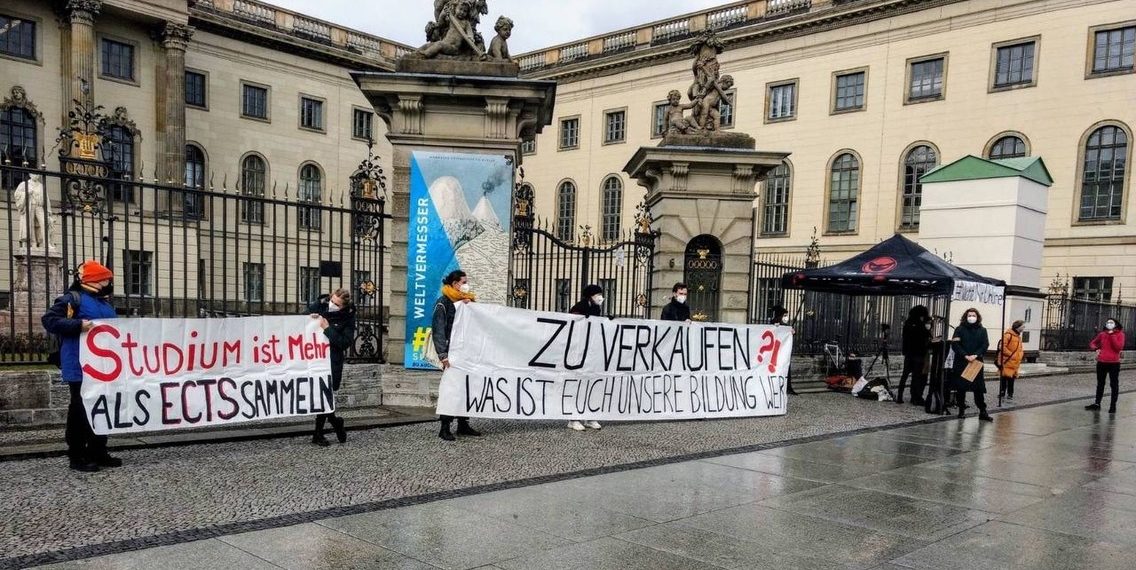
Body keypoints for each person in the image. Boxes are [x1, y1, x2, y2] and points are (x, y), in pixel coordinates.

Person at [41, 260, 120, 472]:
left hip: (104, 367)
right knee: (79, 409)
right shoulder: (72, 299)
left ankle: (98, 450)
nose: (108, 282)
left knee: (102, 407)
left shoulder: (102, 302)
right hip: (79, 365)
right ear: (95, 280)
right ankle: (76, 455)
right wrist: (78, 325)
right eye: (105, 278)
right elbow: (49, 320)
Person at [433, 270, 482, 441]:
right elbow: (438, 330)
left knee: (465, 387)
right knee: (450, 389)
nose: (466, 284)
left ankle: (463, 424)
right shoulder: (443, 303)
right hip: (451, 353)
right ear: (454, 284)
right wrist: (442, 355)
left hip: (465, 351)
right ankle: (445, 427)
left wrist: (470, 307)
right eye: (463, 281)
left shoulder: (466, 301)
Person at [307, 288, 355, 446]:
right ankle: (335, 422)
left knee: (324, 396)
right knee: (320, 396)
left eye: (337, 304)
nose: (333, 305)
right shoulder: (319, 306)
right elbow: (299, 323)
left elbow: (344, 342)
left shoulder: (348, 318)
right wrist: (310, 317)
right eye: (332, 301)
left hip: (331, 362)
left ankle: (318, 434)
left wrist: (327, 329)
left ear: (343, 307)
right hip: (313, 359)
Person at [567, 284, 605, 430]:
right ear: (590, 296)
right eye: (598, 294)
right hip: (578, 351)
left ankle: (590, 417)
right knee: (577, 383)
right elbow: (573, 325)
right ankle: (573, 418)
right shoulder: (579, 307)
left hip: (591, 350)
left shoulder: (596, 308)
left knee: (591, 382)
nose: (600, 297)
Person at [949, 308, 993, 422]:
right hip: (962, 362)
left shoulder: (982, 330)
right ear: (966, 316)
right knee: (961, 388)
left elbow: (985, 344)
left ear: (977, 317)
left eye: (974, 315)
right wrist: (965, 355)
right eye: (969, 315)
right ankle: (961, 410)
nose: (971, 317)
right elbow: (955, 344)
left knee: (978, 388)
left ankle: (983, 411)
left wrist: (976, 355)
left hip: (976, 362)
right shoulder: (959, 329)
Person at [1086, 318, 1125, 414]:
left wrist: (1112, 335)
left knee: (1114, 384)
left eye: (1112, 322)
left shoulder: (1120, 334)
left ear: (1116, 324)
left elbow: (1118, 347)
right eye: (1108, 322)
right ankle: (1097, 403)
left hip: (1114, 363)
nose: (1109, 324)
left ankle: (1113, 406)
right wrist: (1096, 349)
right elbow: (1092, 343)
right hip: (1102, 362)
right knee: (1100, 384)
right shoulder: (1102, 334)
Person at [897, 305, 931, 405]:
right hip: (918, 354)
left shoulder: (907, 324)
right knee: (916, 377)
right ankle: (915, 398)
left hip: (909, 354)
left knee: (904, 375)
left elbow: (905, 339)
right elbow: (926, 337)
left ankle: (900, 396)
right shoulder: (921, 325)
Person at [996, 320, 1025, 405]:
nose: (1024, 328)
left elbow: (1020, 348)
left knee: (1011, 378)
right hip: (1007, 360)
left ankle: (1010, 393)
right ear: (1018, 327)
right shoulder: (1008, 335)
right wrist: (1011, 355)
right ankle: (1003, 392)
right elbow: (1002, 347)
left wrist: (1020, 355)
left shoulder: (1018, 337)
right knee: (1004, 377)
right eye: (1023, 326)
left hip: (1014, 361)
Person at [771, 306, 798, 396]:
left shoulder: (784, 325)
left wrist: (791, 331)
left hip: (783, 351)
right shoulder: (773, 323)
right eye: (784, 315)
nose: (786, 317)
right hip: (777, 352)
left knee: (786, 369)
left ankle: (787, 387)